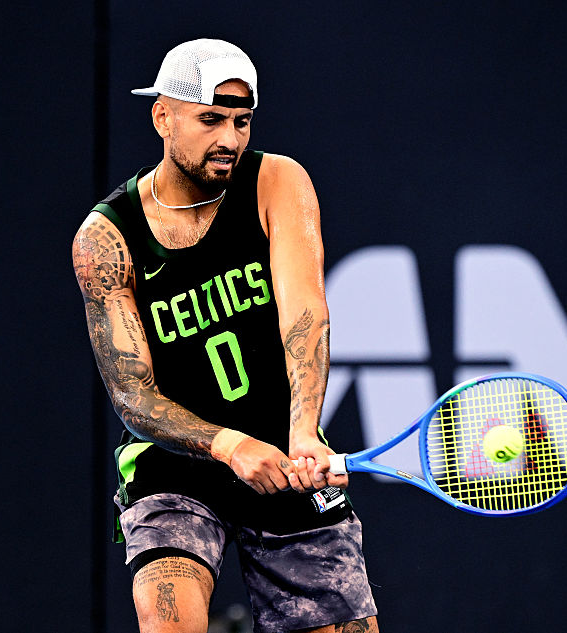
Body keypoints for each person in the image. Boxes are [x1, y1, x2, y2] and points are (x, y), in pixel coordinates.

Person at [72, 38, 379, 633]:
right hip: (176, 466)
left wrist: (302, 431)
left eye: (242, 122)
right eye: (211, 119)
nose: (231, 140)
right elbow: (134, 396)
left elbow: (305, 314)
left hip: (284, 458)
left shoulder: (277, 182)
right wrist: (229, 445)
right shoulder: (106, 240)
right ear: (163, 115)